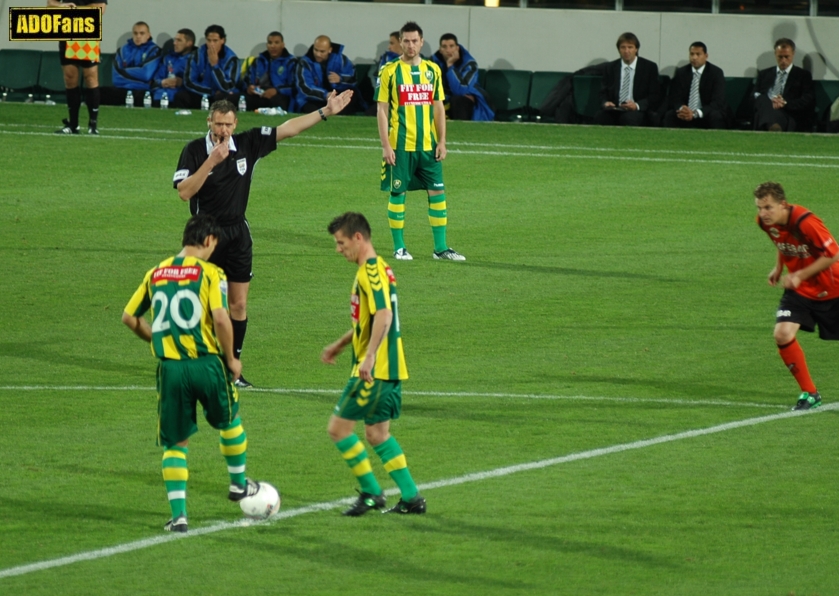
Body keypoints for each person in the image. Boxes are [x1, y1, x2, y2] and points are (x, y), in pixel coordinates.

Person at [172, 91, 353, 387]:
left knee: (238, 305)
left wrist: (325, 112)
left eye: (228, 125)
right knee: (196, 303)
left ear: (235, 123)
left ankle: (233, 369)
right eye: (218, 125)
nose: (223, 131)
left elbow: (288, 128)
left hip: (237, 234)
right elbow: (184, 192)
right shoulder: (193, 150)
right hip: (202, 236)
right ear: (209, 122)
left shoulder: (248, 143)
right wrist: (211, 162)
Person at [121, 213, 261, 533]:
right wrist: (231, 358)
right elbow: (222, 319)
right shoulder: (211, 273)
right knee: (229, 421)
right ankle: (238, 485)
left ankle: (180, 516)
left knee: (176, 443)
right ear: (209, 240)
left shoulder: (156, 273)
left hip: (171, 369)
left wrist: (155, 338)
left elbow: (130, 317)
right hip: (207, 364)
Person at [321, 212, 426, 516]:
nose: (338, 249)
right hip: (388, 370)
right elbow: (368, 320)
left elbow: (384, 315)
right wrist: (340, 345)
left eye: (341, 243)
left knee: (338, 429)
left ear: (358, 237)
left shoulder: (371, 272)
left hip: (374, 372)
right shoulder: (378, 269)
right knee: (377, 435)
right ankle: (411, 498)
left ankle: (371, 492)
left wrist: (368, 358)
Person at [376, 21, 466, 262]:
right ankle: (399, 248)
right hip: (400, 146)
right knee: (398, 193)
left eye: (415, 40)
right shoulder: (389, 71)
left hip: (428, 145)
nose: (410, 45)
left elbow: (438, 107)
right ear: (400, 42)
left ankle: (441, 248)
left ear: (422, 42)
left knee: (437, 191)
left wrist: (442, 141)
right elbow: (382, 110)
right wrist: (386, 145)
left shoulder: (432, 70)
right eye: (406, 41)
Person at [755, 181, 839, 410]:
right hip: (800, 290)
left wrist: (800, 274)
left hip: (833, 288)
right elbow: (782, 243)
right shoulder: (766, 223)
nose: (763, 213)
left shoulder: (806, 222)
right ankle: (810, 393)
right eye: (759, 208)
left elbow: (832, 254)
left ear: (783, 205)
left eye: (768, 208)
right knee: (782, 334)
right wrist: (779, 267)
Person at [49, 0, 107, 135]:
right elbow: (50, 3)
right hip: (66, 30)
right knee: (70, 77)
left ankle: (93, 124)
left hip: (87, 30)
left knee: (90, 77)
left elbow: (100, 8)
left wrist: (74, 10)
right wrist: (60, 6)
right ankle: (73, 125)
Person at [594, 32, 661, 127]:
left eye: (630, 47)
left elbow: (655, 95)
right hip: (616, 108)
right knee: (600, 117)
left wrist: (636, 105)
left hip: (638, 110)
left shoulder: (649, 67)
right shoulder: (610, 67)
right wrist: (605, 102)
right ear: (619, 50)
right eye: (623, 47)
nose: (626, 51)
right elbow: (602, 92)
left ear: (636, 49)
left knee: (627, 118)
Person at [753, 38, 815, 132]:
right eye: (780, 57)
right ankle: (773, 125)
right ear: (775, 54)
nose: (783, 61)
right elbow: (753, 96)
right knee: (761, 98)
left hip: (787, 113)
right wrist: (771, 103)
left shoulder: (803, 75)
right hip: (765, 109)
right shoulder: (764, 74)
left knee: (766, 110)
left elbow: (807, 100)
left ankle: (772, 125)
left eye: (787, 57)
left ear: (793, 54)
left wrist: (784, 104)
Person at [293, 35, 364, 114]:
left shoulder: (341, 59)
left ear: (330, 50)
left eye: (322, 51)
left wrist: (340, 79)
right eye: (316, 50)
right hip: (313, 100)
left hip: (337, 97)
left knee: (352, 95)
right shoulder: (305, 63)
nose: (318, 54)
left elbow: (353, 79)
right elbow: (304, 88)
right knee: (315, 113)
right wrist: (325, 95)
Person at [662, 42, 727, 130]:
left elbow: (718, 101)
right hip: (685, 113)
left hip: (705, 113)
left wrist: (695, 113)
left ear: (706, 56)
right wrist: (682, 109)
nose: (694, 57)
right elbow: (674, 97)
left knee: (716, 116)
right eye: (692, 54)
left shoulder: (716, 73)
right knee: (669, 115)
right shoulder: (681, 72)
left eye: (698, 54)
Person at [174, 24, 240, 109]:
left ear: (222, 40)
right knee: (181, 96)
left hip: (221, 95)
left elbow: (228, 87)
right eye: (209, 40)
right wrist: (210, 92)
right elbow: (189, 81)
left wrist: (215, 66)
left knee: (224, 98)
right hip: (203, 93)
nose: (211, 44)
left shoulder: (232, 59)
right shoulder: (197, 54)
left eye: (215, 41)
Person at [431, 33, 494, 122]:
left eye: (451, 46)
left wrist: (450, 66)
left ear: (457, 48)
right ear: (440, 50)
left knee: (458, 100)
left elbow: (461, 90)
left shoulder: (470, 64)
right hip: (444, 98)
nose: (448, 50)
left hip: (469, 104)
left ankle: (462, 131)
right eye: (444, 47)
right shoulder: (432, 63)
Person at [100, 22, 161, 107]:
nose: (138, 36)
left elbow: (146, 74)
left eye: (142, 33)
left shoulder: (155, 51)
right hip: (122, 89)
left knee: (145, 97)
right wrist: (139, 74)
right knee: (99, 93)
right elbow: (116, 78)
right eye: (135, 33)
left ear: (148, 35)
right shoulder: (122, 50)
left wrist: (124, 71)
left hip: (142, 90)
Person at [241, 31, 296, 113]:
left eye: (276, 43)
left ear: (283, 45)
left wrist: (276, 90)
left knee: (278, 101)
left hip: (280, 95)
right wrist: (249, 88)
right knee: (235, 99)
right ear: (267, 45)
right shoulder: (258, 61)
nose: (273, 46)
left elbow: (295, 87)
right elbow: (245, 81)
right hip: (259, 95)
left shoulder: (291, 62)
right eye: (270, 43)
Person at [151, 28, 196, 107]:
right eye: (175, 40)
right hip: (159, 96)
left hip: (179, 99)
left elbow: (198, 82)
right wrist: (162, 82)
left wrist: (181, 82)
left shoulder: (195, 60)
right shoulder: (168, 58)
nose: (175, 43)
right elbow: (157, 79)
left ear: (189, 43)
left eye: (179, 40)